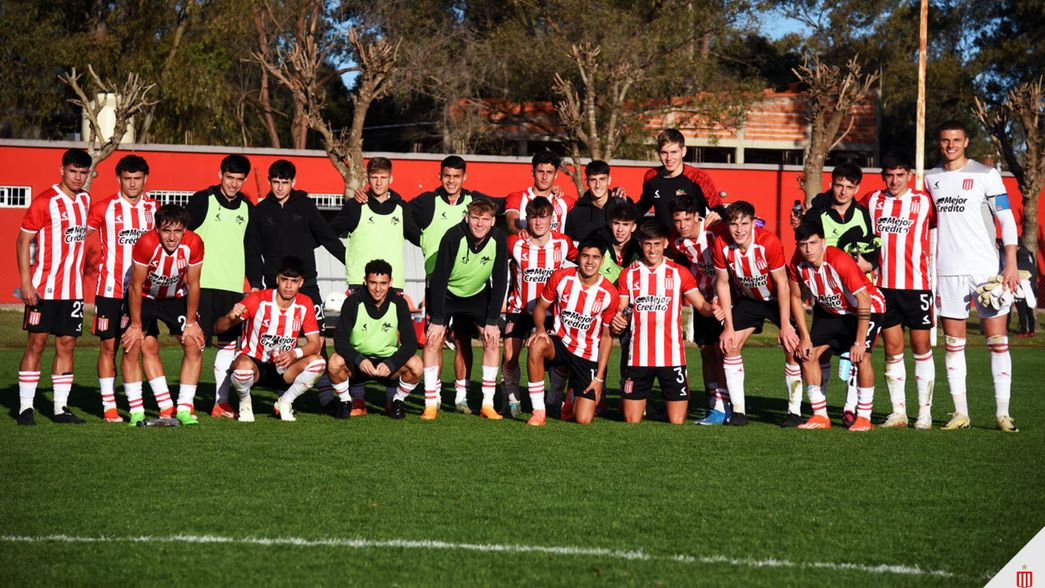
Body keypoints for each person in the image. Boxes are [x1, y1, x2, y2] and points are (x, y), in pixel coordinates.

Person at [925, 120, 1021, 432]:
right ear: (939, 143)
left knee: (997, 341)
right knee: (954, 344)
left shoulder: (986, 175)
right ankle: (960, 413)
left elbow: (1005, 219)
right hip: (947, 271)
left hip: (985, 271)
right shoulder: (930, 178)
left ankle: (1002, 413)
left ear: (966, 142)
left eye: (956, 139)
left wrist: (1009, 262)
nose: (950, 145)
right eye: (944, 140)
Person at [252, 159, 344, 413]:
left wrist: (351, 264)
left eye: (285, 182)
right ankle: (280, 393)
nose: (280, 187)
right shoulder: (260, 212)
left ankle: (326, 398)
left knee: (319, 340)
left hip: (308, 285)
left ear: (294, 182)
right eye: (276, 182)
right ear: (270, 182)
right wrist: (256, 283)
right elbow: (253, 249)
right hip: (274, 286)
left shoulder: (305, 206)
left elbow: (327, 237)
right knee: (279, 336)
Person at [795, 161, 879, 427]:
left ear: (856, 189)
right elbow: (803, 238)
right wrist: (801, 335)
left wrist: (869, 263)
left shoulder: (862, 215)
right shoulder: (818, 212)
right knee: (814, 353)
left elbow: (872, 251)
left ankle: (856, 411)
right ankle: (820, 412)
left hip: (859, 298)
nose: (842, 191)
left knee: (859, 353)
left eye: (849, 186)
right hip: (828, 296)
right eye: (838, 184)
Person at [611, 221, 717, 425]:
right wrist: (619, 320)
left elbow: (701, 304)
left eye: (657, 244)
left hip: (672, 357)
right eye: (648, 244)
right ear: (640, 244)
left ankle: (660, 407)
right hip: (638, 357)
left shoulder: (678, 273)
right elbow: (623, 309)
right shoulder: (629, 274)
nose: (652, 249)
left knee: (677, 421)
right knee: (631, 419)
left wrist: (713, 309)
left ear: (666, 244)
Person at [16, 148, 92, 425]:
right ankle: (26, 407)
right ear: (62, 170)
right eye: (73, 171)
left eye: (83, 172)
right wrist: (26, 282)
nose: (78, 177)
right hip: (43, 288)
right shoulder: (44, 201)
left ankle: (60, 408)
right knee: (36, 343)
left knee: (67, 345)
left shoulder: (85, 200)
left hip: (72, 290)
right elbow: (23, 241)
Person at [789, 219, 885, 432]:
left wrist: (859, 342)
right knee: (807, 354)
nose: (808, 249)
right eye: (803, 244)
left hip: (867, 308)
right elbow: (795, 298)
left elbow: (864, 300)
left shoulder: (839, 260)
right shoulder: (797, 263)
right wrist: (804, 337)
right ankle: (820, 416)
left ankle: (864, 417)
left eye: (813, 243)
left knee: (862, 357)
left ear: (823, 242)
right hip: (833, 312)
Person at [712, 201, 801, 427]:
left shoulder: (768, 242)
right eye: (734, 224)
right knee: (729, 345)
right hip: (749, 301)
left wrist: (785, 325)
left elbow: (782, 284)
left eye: (744, 223)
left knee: (792, 346)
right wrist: (728, 327)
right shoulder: (721, 243)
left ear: (753, 222)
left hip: (774, 299)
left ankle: (794, 411)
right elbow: (722, 283)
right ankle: (739, 412)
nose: (739, 230)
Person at [865, 153, 937, 429]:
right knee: (892, 349)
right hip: (884, 286)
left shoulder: (924, 202)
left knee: (921, 347)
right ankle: (898, 413)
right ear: (884, 176)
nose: (894, 180)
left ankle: (925, 413)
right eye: (889, 175)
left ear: (909, 175)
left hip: (917, 286)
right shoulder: (873, 200)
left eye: (900, 175)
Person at [186, 154, 261, 418]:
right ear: (220, 175)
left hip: (232, 289)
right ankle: (186, 402)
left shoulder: (247, 208)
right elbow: (182, 238)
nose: (233, 184)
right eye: (230, 178)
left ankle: (220, 401)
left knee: (228, 346)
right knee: (195, 344)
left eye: (239, 180)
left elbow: (251, 250)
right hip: (201, 285)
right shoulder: (201, 200)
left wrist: (256, 285)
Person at [86, 154, 158, 423]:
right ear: (118, 179)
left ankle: (135, 405)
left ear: (145, 179)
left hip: (141, 293)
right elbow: (76, 234)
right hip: (109, 289)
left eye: (137, 178)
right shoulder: (103, 208)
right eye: (127, 178)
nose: (132, 183)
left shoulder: (153, 209)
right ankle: (109, 407)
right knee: (108, 348)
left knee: (136, 347)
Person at [421, 198, 508, 420]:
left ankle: (487, 403)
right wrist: (438, 319)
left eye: (485, 219)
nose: (480, 224)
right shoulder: (453, 236)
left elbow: (500, 280)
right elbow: (439, 278)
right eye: (476, 218)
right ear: (467, 217)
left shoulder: (498, 238)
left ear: (492, 221)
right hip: (447, 292)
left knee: (491, 339)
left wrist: (492, 320)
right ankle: (431, 402)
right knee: (433, 339)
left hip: (477, 294)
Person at [121, 205, 205, 426]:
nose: (172, 237)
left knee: (193, 344)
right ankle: (137, 410)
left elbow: (194, 283)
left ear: (185, 230)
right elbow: (135, 287)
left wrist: (191, 322)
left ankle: (184, 408)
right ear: (157, 229)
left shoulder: (194, 243)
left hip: (176, 296)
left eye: (178, 231)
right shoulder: (146, 243)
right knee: (136, 345)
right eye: (166, 231)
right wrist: (136, 325)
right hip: (145, 296)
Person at [215, 256, 325, 422]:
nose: (288, 286)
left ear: (301, 282)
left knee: (318, 363)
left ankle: (285, 402)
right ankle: (245, 402)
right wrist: (230, 317)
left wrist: (294, 354)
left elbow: (315, 344)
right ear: (277, 279)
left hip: (284, 367)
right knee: (242, 369)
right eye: (284, 280)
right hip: (254, 364)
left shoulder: (305, 303)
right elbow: (218, 328)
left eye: (294, 281)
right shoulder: (258, 300)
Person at [527, 240, 618, 426]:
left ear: (602, 261)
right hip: (561, 342)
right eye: (585, 256)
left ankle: (570, 397)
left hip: (587, 353)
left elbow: (608, 338)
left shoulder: (609, 293)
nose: (590, 262)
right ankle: (539, 411)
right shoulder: (561, 278)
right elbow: (540, 307)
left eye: (595, 257)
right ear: (578, 257)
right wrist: (541, 329)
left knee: (583, 419)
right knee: (537, 344)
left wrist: (599, 378)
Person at [503, 197, 576, 417]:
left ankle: (553, 399)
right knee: (509, 355)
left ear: (551, 218)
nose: (538, 222)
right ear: (528, 220)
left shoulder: (563, 243)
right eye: (534, 217)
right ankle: (512, 399)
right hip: (519, 309)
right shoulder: (514, 242)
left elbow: (584, 261)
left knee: (560, 359)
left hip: (552, 312)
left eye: (543, 216)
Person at [327, 259, 422, 420]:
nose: (378, 288)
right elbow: (340, 340)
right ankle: (345, 402)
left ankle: (398, 401)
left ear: (390, 282)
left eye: (383, 283)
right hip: (359, 364)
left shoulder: (399, 304)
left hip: (388, 365)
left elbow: (411, 343)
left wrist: (390, 363)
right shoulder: (352, 302)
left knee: (417, 365)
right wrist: (359, 359)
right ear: (365, 281)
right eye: (373, 283)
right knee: (334, 362)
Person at [669, 196, 730, 425]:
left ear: (698, 217)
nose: (683, 225)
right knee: (705, 350)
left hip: (726, 297)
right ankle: (713, 404)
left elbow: (745, 224)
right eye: (678, 220)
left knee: (722, 350)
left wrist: (723, 215)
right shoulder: (677, 242)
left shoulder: (714, 229)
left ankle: (726, 405)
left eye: (688, 219)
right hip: (703, 300)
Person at [331, 157, 419, 291]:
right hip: (360, 283)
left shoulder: (402, 208)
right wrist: (347, 258)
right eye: (374, 177)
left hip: (392, 284)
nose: (379, 182)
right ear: (367, 179)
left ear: (390, 179)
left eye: (383, 177)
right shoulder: (355, 206)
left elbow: (420, 239)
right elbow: (327, 235)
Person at [637, 128, 724, 230]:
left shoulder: (699, 177)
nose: (669, 158)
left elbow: (718, 209)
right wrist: (619, 201)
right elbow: (641, 207)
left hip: (690, 243)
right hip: (664, 242)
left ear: (683, 151)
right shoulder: (651, 176)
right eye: (664, 152)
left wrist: (719, 216)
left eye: (674, 152)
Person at [505, 151, 574, 235]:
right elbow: (512, 221)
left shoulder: (565, 201)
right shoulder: (517, 197)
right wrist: (520, 232)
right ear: (532, 172)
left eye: (549, 172)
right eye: (540, 172)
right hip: (526, 246)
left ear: (556, 175)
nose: (544, 177)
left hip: (556, 248)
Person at [564, 160, 629, 244]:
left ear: (609, 180)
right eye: (593, 180)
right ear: (586, 181)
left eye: (602, 179)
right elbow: (569, 245)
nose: (598, 185)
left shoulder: (622, 205)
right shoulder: (575, 213)